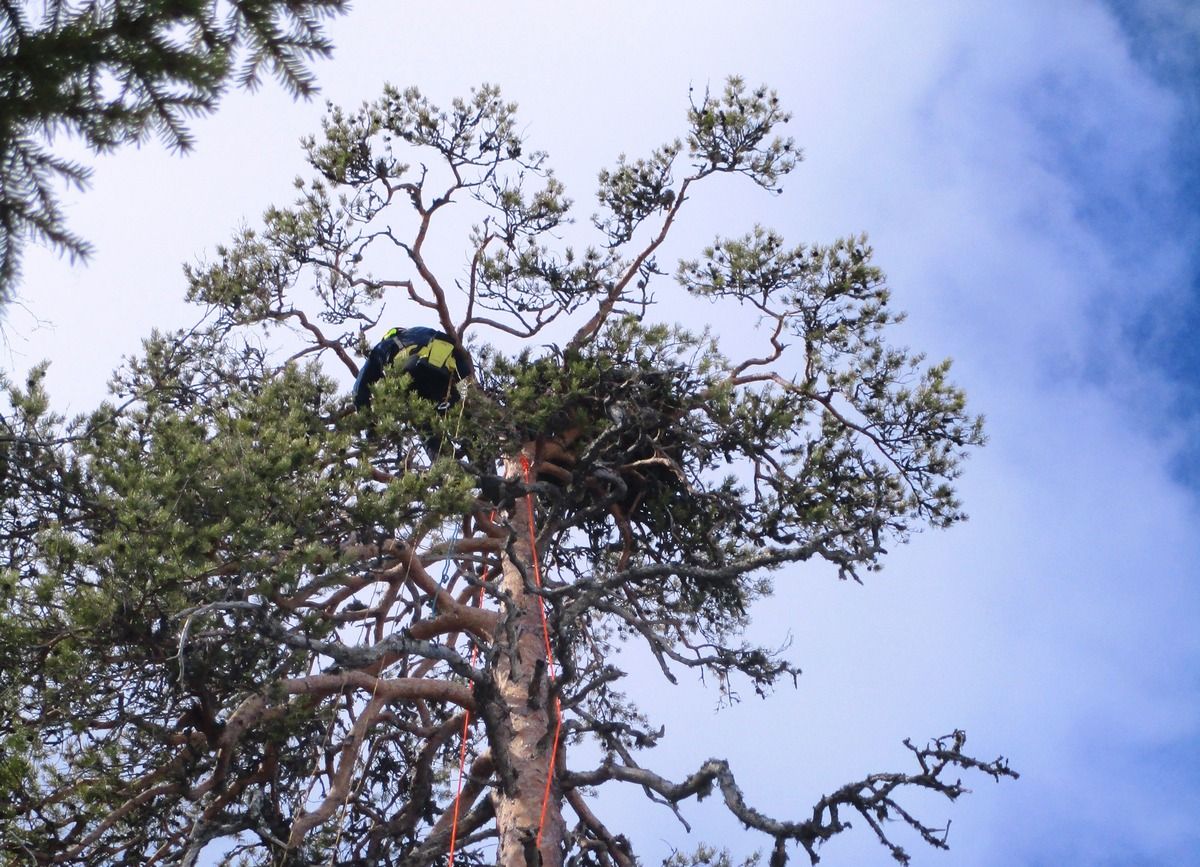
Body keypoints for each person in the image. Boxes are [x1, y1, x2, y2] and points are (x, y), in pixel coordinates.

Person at [352, 326, 472, 411]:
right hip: (443, 376)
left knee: (420, 419)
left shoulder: (383, 345)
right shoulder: (426, 331)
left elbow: (359, 388)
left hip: (412, 373)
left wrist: (369, 426)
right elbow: (464, 368)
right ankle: (474, 442)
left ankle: (435, 446)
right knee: (455, 411)